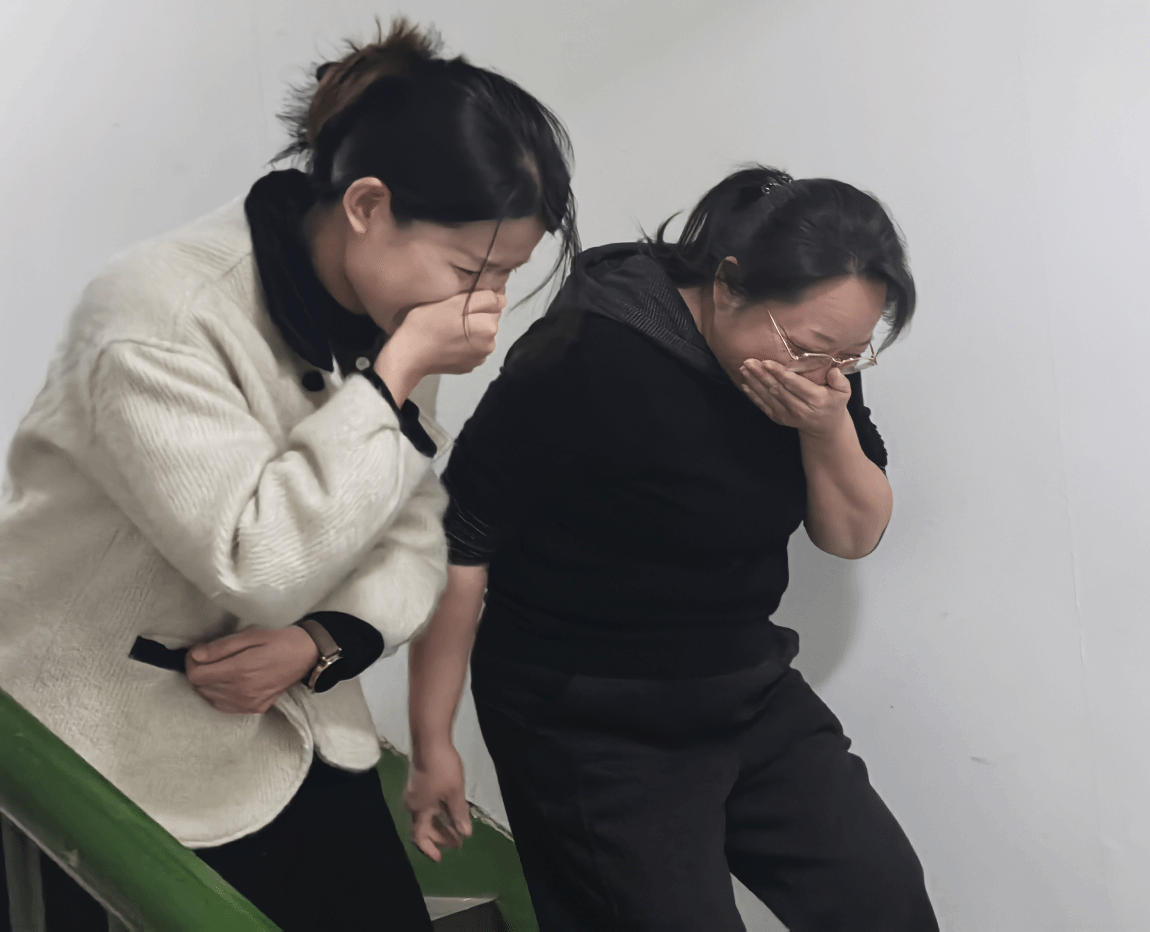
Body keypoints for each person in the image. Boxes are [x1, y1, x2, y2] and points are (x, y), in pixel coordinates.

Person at [0, 20, 576, 931]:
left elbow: (411, 528)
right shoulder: (160, 315)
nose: (487, 310)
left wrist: (325, 640)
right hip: (95, 735)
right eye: (473, 270)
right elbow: (259, 563)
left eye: (507, 276)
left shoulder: (390, 312)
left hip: (290, 719)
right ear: (367, 205)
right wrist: (393, 380)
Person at [405, 165, 939, 930]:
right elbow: (460, 544)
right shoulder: (586, 355)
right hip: (591, 715)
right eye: (809, 347)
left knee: (882, 898)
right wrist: (432, 743)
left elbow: (852, 535)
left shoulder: (819, 371)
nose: (826, 372)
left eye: (851, 355)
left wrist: (827, 427)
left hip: (742, 684)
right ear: (727, 286)